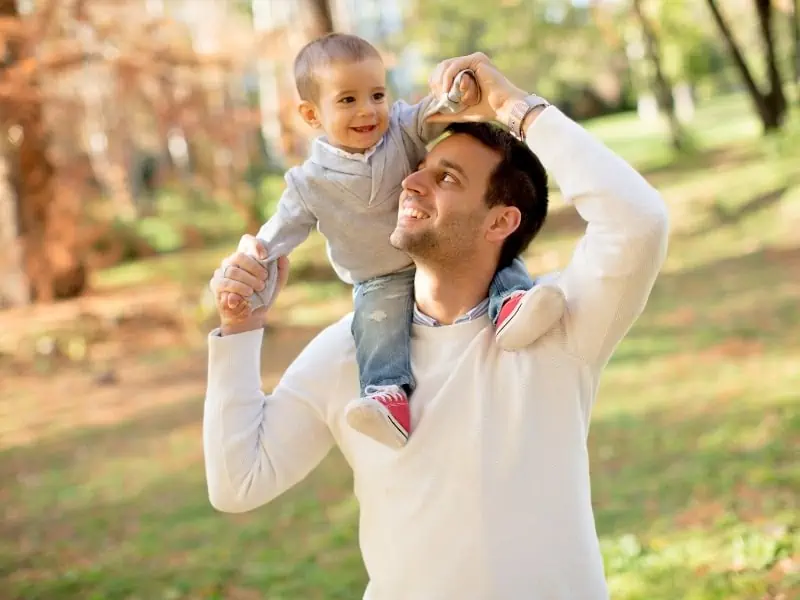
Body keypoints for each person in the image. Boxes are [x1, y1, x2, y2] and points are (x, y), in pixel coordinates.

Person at [205, 52, 669, 599]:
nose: (411, 184)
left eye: (445, 177)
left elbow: (638, 220)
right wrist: (241, 327)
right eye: (417, 170)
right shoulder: (349, 351)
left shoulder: (558, 325)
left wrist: (510, 106)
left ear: (501, 220)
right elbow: (239, 483)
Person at [246, 33, 565, 449]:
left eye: (376, 94)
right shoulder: (309, 182)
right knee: (377, 326)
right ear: (311, 115)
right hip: (378, 274)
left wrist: (457, 93)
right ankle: (386, 396)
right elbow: (281, 229)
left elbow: (435, 112)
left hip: (433, 248)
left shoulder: (400, 129)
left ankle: (513, 304)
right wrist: (256, 256)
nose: (368, 111)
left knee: (491, 251)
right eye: (347, 101)